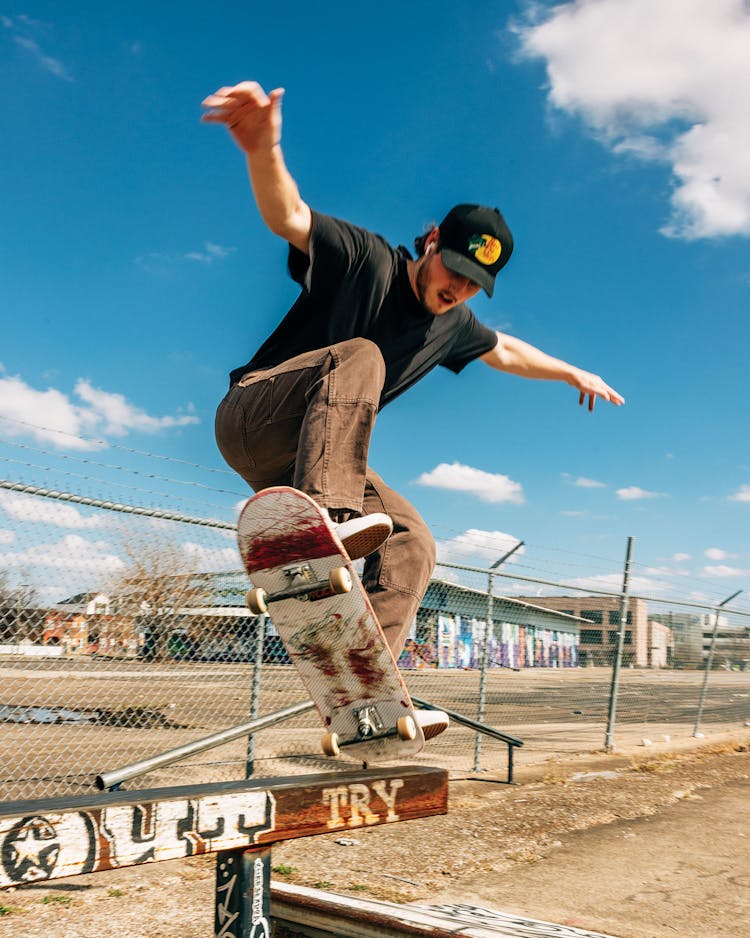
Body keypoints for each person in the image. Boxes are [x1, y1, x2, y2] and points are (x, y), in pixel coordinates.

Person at [203, 80, 624, 668]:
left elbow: (505, 350)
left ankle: (363, 677)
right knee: (362, 356)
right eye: (453, 269)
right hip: (254, 417)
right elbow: (290, 215)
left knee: (411, 540)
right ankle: (328, 526)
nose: (458, 289)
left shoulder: (454, 325)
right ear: (430, 243)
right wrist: (262, 150)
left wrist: (572, 372)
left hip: (305, 465)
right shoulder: (365, 259)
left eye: (474, 284)